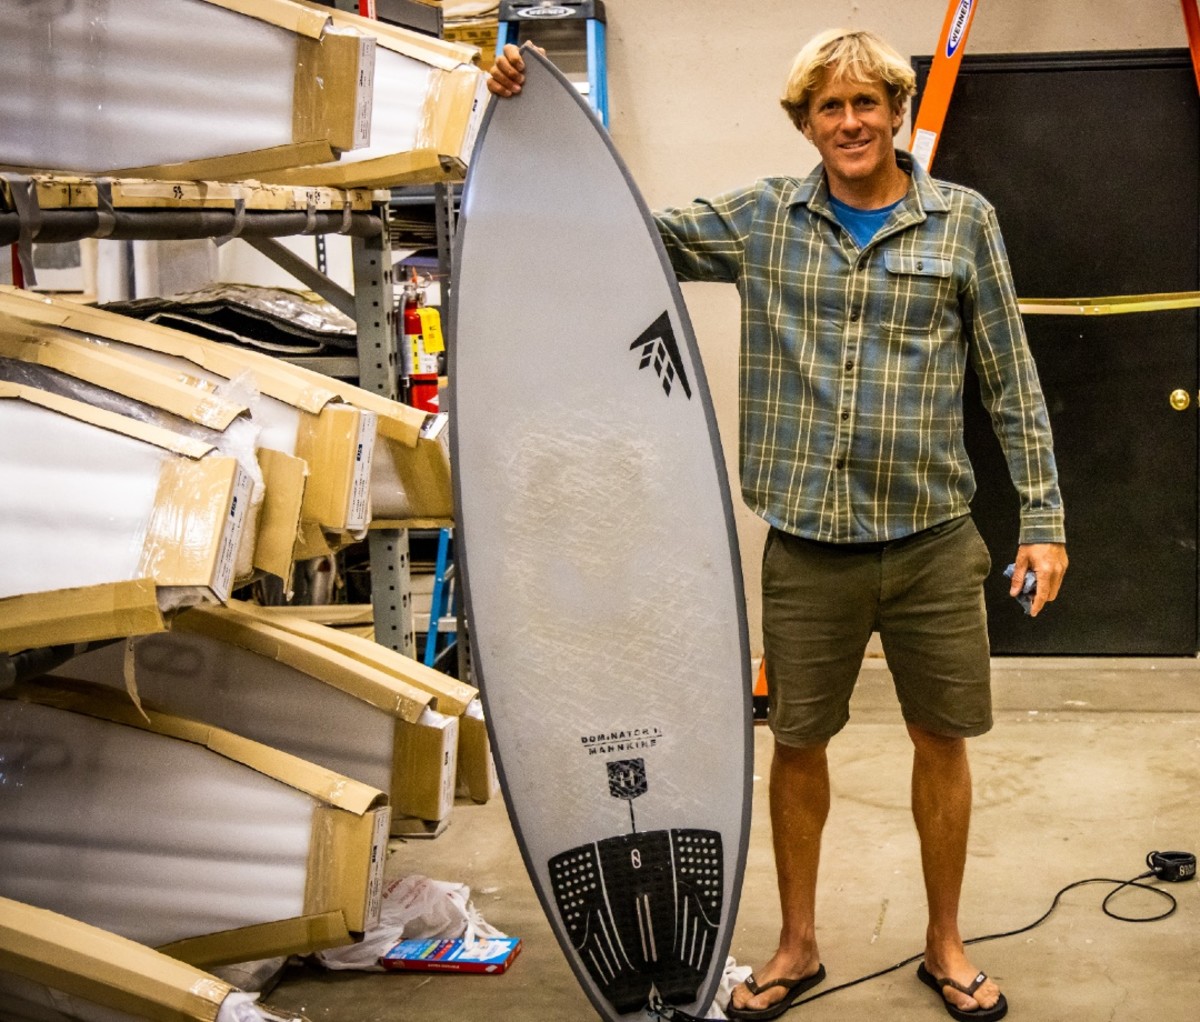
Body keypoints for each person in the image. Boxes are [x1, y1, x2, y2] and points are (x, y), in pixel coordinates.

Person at [489, 27, 1068, 1022]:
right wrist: (518, 116)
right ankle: (798, 943)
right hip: (807, 548)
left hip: (933, 538)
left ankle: (947, 942)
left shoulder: (963, 221)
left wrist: (1044, 517)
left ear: (896, 110)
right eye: (829, 107)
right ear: (806, 121)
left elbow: (1010, 380)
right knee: (797, 744)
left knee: (943, 738)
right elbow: (616, 225)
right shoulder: (762, 217)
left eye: (867, 102)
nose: (850, 122)